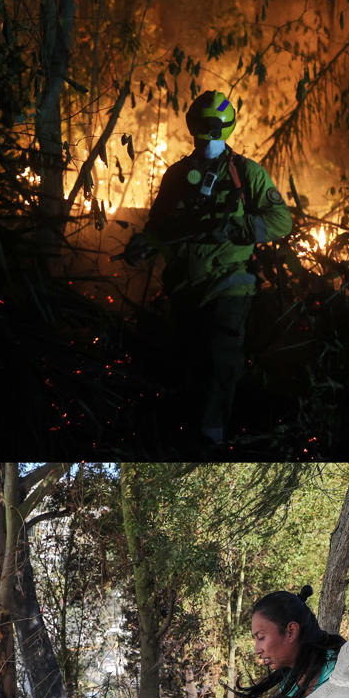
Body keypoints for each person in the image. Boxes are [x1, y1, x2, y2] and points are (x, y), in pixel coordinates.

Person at [126, 88, 293, 445]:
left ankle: (211, 442)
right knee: (188, 364)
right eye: (201, 131)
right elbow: (158, 227)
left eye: (210, 131)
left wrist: (235, 228)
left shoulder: (247, 174)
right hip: (185, 287)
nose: (206, 141)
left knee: (220, 362)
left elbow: (281, 221)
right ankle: (188, 439)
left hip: (230, 283)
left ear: (223, 130)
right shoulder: (176, 177)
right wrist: (143, 245)